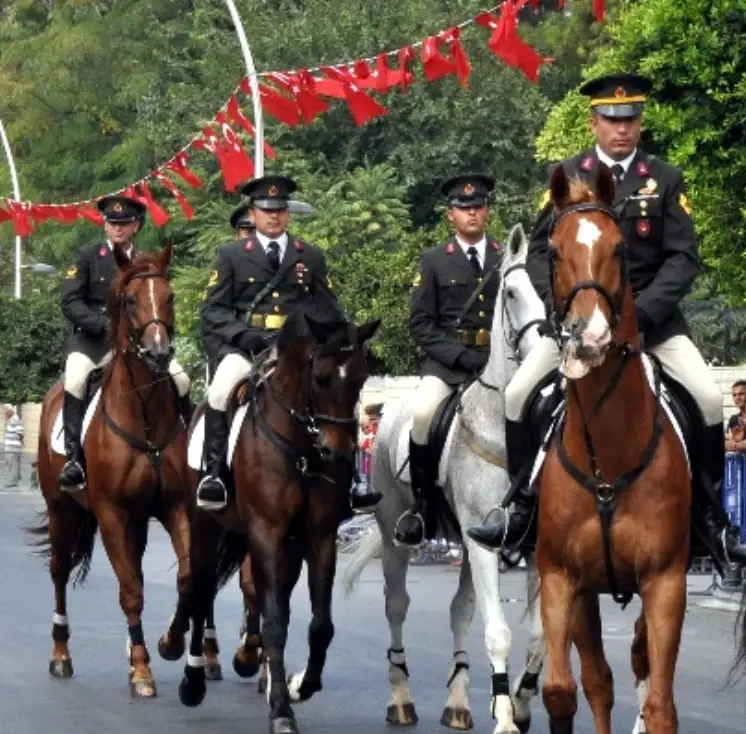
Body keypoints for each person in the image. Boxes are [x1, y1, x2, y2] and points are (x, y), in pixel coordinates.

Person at [467, 73, 746, 569]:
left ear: (640, 122)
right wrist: (566, 309)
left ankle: (711, 520)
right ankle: (521, 508)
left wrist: (639, 315)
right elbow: (539, 253)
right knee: (517, 396)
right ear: (594, 122)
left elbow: (683, 258)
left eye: (630, 119)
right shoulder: (566, 174)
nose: (622, 129)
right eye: (611, 120)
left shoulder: (664, 178)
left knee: (708, 398)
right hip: (578, 325)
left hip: (652, 326)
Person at [197, 174, 381, 514]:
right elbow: (213, 311)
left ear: (287, 214)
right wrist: (243, 336)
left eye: (280, 209)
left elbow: (329, 308)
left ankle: (354, 478)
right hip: (248, 348)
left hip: (300, 352)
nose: (274, 216)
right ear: (252, 214)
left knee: (339, 395)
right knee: (220, 392)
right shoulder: (231, 255)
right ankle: (215, 474)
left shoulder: (309, 256)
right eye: (266, 210)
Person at [394, 174, 503, 546]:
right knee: (424, 414)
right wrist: (459, 356)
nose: (472, 213)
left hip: (497, 364)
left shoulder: (506, 257)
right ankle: (422, 506)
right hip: (448, 365)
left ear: (487, 211)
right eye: (464, 208)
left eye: (478, 206)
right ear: (450, 216)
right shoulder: (435, 260)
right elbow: (420, 323)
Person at [57, 195, 192, 491]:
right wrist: (106, 326)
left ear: (136, 226)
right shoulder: (87, 256)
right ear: (105, 225)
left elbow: (158, 304)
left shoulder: (146, 262)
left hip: (138, 346)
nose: (117, 228)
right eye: (112, 223)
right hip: (94, 344)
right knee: (76, 380)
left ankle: (192, 454)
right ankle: (74, 459)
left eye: (124, 223)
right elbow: (71, 301)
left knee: (181, 380)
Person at [3, 404, 23, 488]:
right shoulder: (11, 419)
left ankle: (12, 481)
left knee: (12, 464)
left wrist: (16, 441)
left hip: (13, 447)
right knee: (11, 464)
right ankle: (15, 478)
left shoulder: (14, 419)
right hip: (10, 446)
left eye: (6, 410)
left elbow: (20, 432)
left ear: (10, 410)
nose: (5, 412)